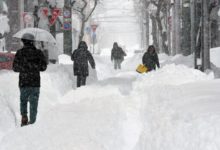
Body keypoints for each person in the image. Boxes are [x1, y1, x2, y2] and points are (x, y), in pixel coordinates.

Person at [12, 33, 47, 126]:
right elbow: (43, 67)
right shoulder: (38, 53)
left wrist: (24, 67)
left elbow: (15, 68)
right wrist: (35, 66)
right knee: (33, 103)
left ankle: (24, 116)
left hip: (23, 82)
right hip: (35, 82)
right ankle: (32, 122)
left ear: (23, 41)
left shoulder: (20, 53)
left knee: (23, 100)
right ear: (33, 42)